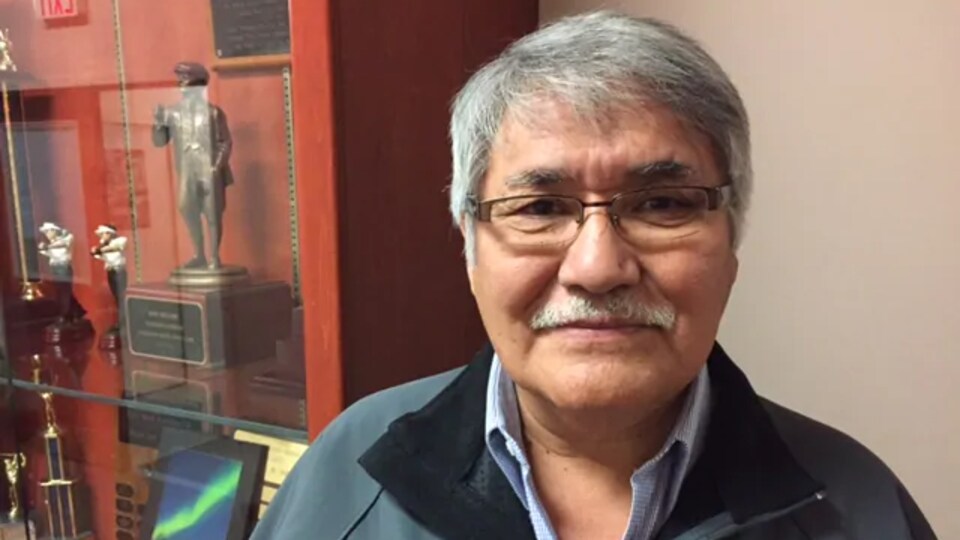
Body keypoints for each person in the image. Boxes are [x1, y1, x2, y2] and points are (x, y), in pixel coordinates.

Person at [252, 12, 936, 540]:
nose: (597, 266)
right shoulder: (348, 471)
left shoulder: (857, 504)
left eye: (663, 204)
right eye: (542, 208)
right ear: (471, 246)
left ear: (732, 245)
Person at [153, 61, 233, 270]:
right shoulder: (173, 113)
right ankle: (199, 254)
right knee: (186, 207)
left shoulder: (213, 113)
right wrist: (159, 123)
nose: (183, 90)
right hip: (187, 170)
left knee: (212, 213)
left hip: (208, 169)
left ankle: (214, 257)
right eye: (181, 85)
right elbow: (159, 142)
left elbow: (225, 142)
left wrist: (217, 167)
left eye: (187, 86)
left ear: (199, 87)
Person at [37, 222, 86, 326]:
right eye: (45, 232)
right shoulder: (52, 243)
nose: (47, 234)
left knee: (63, 293)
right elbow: (51, 253)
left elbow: (60, 245)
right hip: (55, 267)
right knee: (63, 291)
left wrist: (46, 247)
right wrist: (44, 249)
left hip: (63, 268)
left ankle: (64, 316)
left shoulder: (65, 239)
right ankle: (77, 312)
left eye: (48, 231)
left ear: (54, 231)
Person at [90, 224, 127, 333]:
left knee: (121, 297)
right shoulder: (103, 245)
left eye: (104, 233)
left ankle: (124, 323)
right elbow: (100, 255)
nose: (102, 236)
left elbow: (114, 247)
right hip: (110, 271)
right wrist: (96, 251)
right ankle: (120, 322)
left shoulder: (120, 240)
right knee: (116, 297)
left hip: (118, 271)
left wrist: (100, 249)